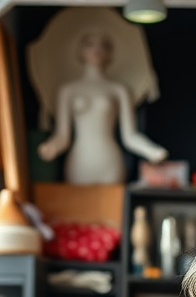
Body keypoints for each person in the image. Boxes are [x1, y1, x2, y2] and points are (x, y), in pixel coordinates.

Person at [37, 30, 167, 185]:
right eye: (90, 44)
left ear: (109, 53)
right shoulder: (68, 90)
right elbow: (63, 135)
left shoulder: (119, 90)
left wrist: (151, 150)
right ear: (80, 51)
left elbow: (130, 136)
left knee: (113, 206)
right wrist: (51, 147)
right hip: (80, 161)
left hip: (110, 162)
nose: (97, 49)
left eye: (103, 45)